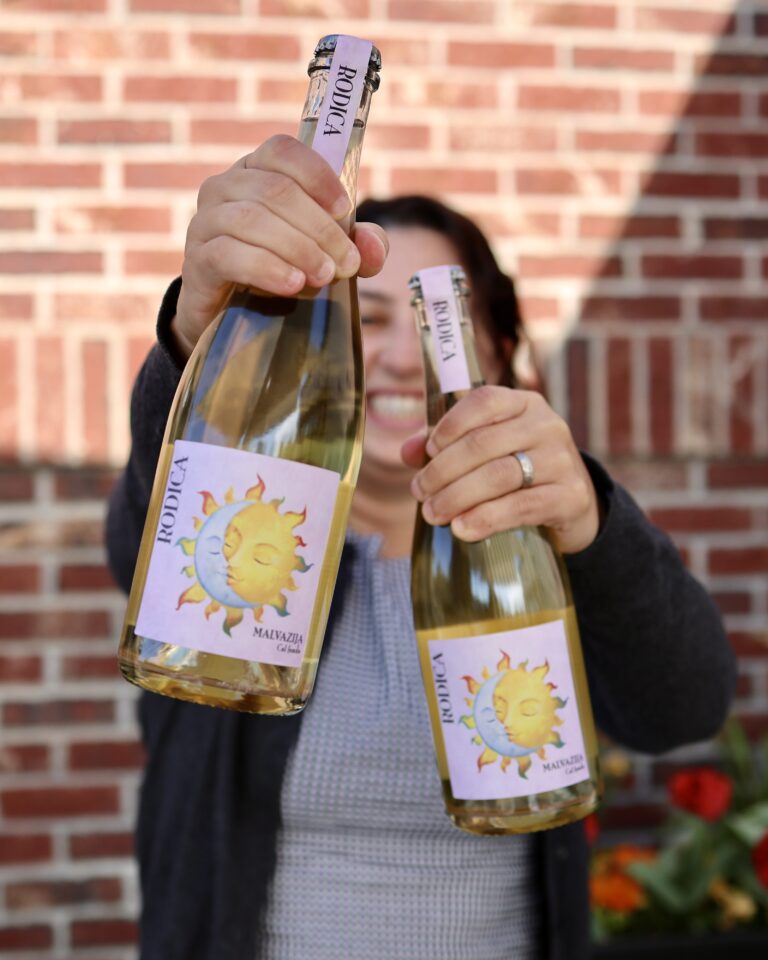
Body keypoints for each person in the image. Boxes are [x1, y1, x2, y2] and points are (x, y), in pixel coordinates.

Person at [106, 136, 735, 960]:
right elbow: (139, 539)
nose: (404, 357)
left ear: (502, 356)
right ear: (319, 350)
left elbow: (683, 708)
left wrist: (592, 524)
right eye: (367, 320)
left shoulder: (538, 554)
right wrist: (199, 342)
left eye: (442, 324)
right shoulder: (243, 522)